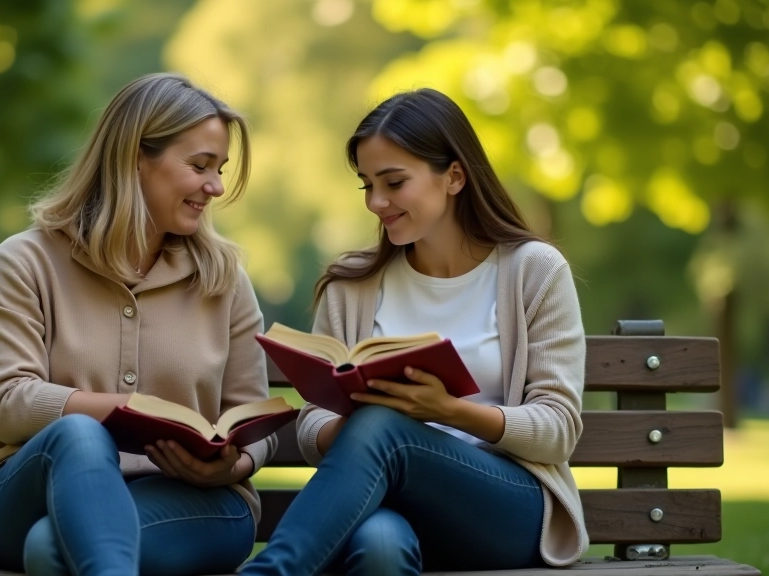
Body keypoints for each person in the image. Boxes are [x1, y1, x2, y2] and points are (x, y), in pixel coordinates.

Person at [241, 88, 587, 575]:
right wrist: (361, 414)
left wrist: (445, 411)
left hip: (502, 508)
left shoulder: (533, 271)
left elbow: (559, 430)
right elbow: (313, 426)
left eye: (394, 182)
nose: (376, 202)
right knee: (379, 548)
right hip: (390, 508)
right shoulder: (352, 286)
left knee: (386, 427)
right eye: (366, 184)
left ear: (455, 176)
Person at [0, 72, 276, 576]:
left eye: (221, 168)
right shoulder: (26, 261)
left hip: (192, 504)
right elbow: (8, 403)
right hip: (31, 492)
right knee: (79, 436)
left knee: (53, 550)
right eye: (201, 166)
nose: (217, 186)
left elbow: (254, 417)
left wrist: (235, 464)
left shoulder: (224, 279)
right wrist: (124, 412)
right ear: (135, 158)